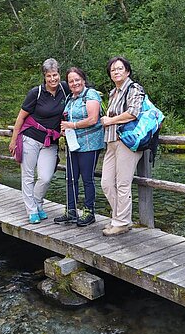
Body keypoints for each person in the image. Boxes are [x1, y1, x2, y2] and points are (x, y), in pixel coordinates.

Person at [9, 58, 69, 224]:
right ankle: (32, 210)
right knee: (28, 176)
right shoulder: (36, 93)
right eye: (49, 76)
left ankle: (37, 202)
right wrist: (14, 140)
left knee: (45, 177)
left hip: (51, 141)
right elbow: (21, 117)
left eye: (55, 75)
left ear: (59, 74)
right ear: (44, 76)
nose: (52, 79)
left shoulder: (64, 89)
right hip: (31, 138)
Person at [100, 56, 145, 236]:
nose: (116, 72)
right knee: (106, 183)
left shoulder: (134, 88)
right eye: (113, 70)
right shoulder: (113, 92)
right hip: (111, 141)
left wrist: (110, 120)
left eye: (120, 68)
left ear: (127, 71)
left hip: (127, 141)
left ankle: (121, 222)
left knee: (123, 183)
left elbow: (133, 113)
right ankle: (120, 218)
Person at [54, 67, 104, 227]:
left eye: (77, 79)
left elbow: (93, 119)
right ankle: (71, 211)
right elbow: (67, 118)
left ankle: (89, 212)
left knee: (87, 179)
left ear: (83, 80)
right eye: (71, 81)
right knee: (70, 177)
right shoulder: (70, 98)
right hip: (73, 144)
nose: (74, 83)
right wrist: (65, 129)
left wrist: (72, 125)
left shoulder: (91, 95)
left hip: (90, 144)